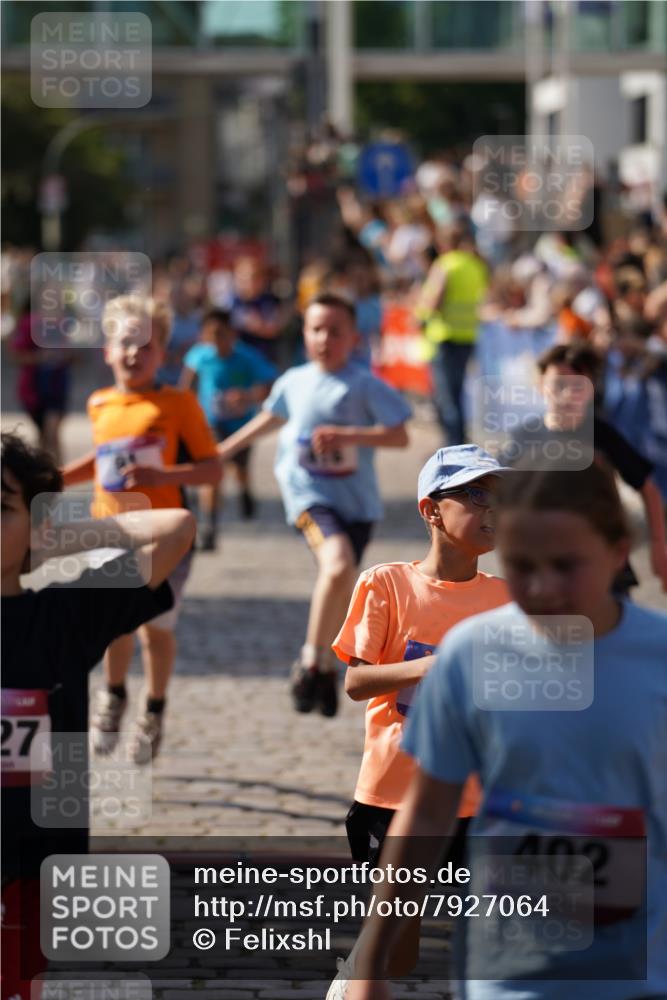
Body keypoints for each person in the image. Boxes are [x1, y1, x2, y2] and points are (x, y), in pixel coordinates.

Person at [349, 460, 667, 1000]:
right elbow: (425, 809)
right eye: (522, 564)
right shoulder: (470, 651)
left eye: (567, 565)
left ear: (618, 552)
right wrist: (370, 964)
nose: (542, 586)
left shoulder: (657, 658)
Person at [1, 430, 195, 1000]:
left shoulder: (67, 614)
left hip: (32, 859)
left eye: (1, 508)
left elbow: (176, 529)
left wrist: (53, 541)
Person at [326, 445, 511, 1000]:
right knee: (397, 948)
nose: (494, 511)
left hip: (479, 802)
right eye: (477, 496)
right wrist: (433, 666)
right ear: (431, 510)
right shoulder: (385, 584)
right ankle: (355, 978)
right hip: (393, 799)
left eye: (504, 499)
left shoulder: (507, 600)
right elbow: (357, 683)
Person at [217, 293, 411, 717]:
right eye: (316, 329)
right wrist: (224, 450)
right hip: (308, 495)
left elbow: (400, 435)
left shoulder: (363, 384)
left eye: (335, 331)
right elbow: (270, 417)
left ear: (353, 337)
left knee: (342, 582)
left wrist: (350, 436)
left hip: (357, 504)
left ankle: (323, 667)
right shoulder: (294, 380)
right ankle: (309, 662)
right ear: (304, 334)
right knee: (338, 565)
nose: (325, 338)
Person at [62, 295, 220, 763]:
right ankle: (112, 695)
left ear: (163, 353)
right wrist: (46, 481)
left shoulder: (178, 403)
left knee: (154, 628)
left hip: (165, 538)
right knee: (114, 625)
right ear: (107, 350)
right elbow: (101, 461)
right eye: (126, 342)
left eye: (147, 344)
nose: (135, 352)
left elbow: (212, 470)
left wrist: (163, 477)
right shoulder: (99, 403)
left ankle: (154, 708)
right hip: (108, 532)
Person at [497, 341, 667, 592]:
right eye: (558, 383)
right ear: (541, 384)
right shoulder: (523, 437)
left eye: (577, 385)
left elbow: (648, 488)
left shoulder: (603, 436)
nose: (566, 393)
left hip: (603, 564)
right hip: (543, 564)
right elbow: (496, 491)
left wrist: (658, 547)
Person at [180, 308, 277, 547]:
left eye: (220, 334)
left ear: (232, 334)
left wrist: (247, 396)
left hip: (241, 426)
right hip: (211, 425)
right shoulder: (199, 355)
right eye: (209, 335)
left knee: (240, 470)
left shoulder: (247, 356)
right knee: (212, 474)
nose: (215, 340)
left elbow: (269, 385)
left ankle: (245, 492)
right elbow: (185, 388)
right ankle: (210, 527)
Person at [415, 223, 489, 446]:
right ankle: (459, 440)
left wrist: (421, 315)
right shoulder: (476, 265)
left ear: (443, 242)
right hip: (468, 335)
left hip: (444, 335)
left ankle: (452, 445)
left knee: (447, 397)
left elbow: (435, 299)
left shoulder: (445, 265)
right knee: (457, 394)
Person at [8, 298, 73, 464]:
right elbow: (16, 355)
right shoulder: (28, 323)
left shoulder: (61, 323)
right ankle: (44, 477)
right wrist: (40, 357)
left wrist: (66, 356)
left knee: (52, 434)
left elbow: (71, 354)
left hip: (57, 388)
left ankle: (58, 479)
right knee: (45, 436)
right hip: (34, 390)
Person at [227, 256, 289, 366]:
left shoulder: (270, 300)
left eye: (256, 277)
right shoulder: (231, 302)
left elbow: (273, 329)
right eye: (243, 278)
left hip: (264, 359)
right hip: (236, 360)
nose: (249, 282)